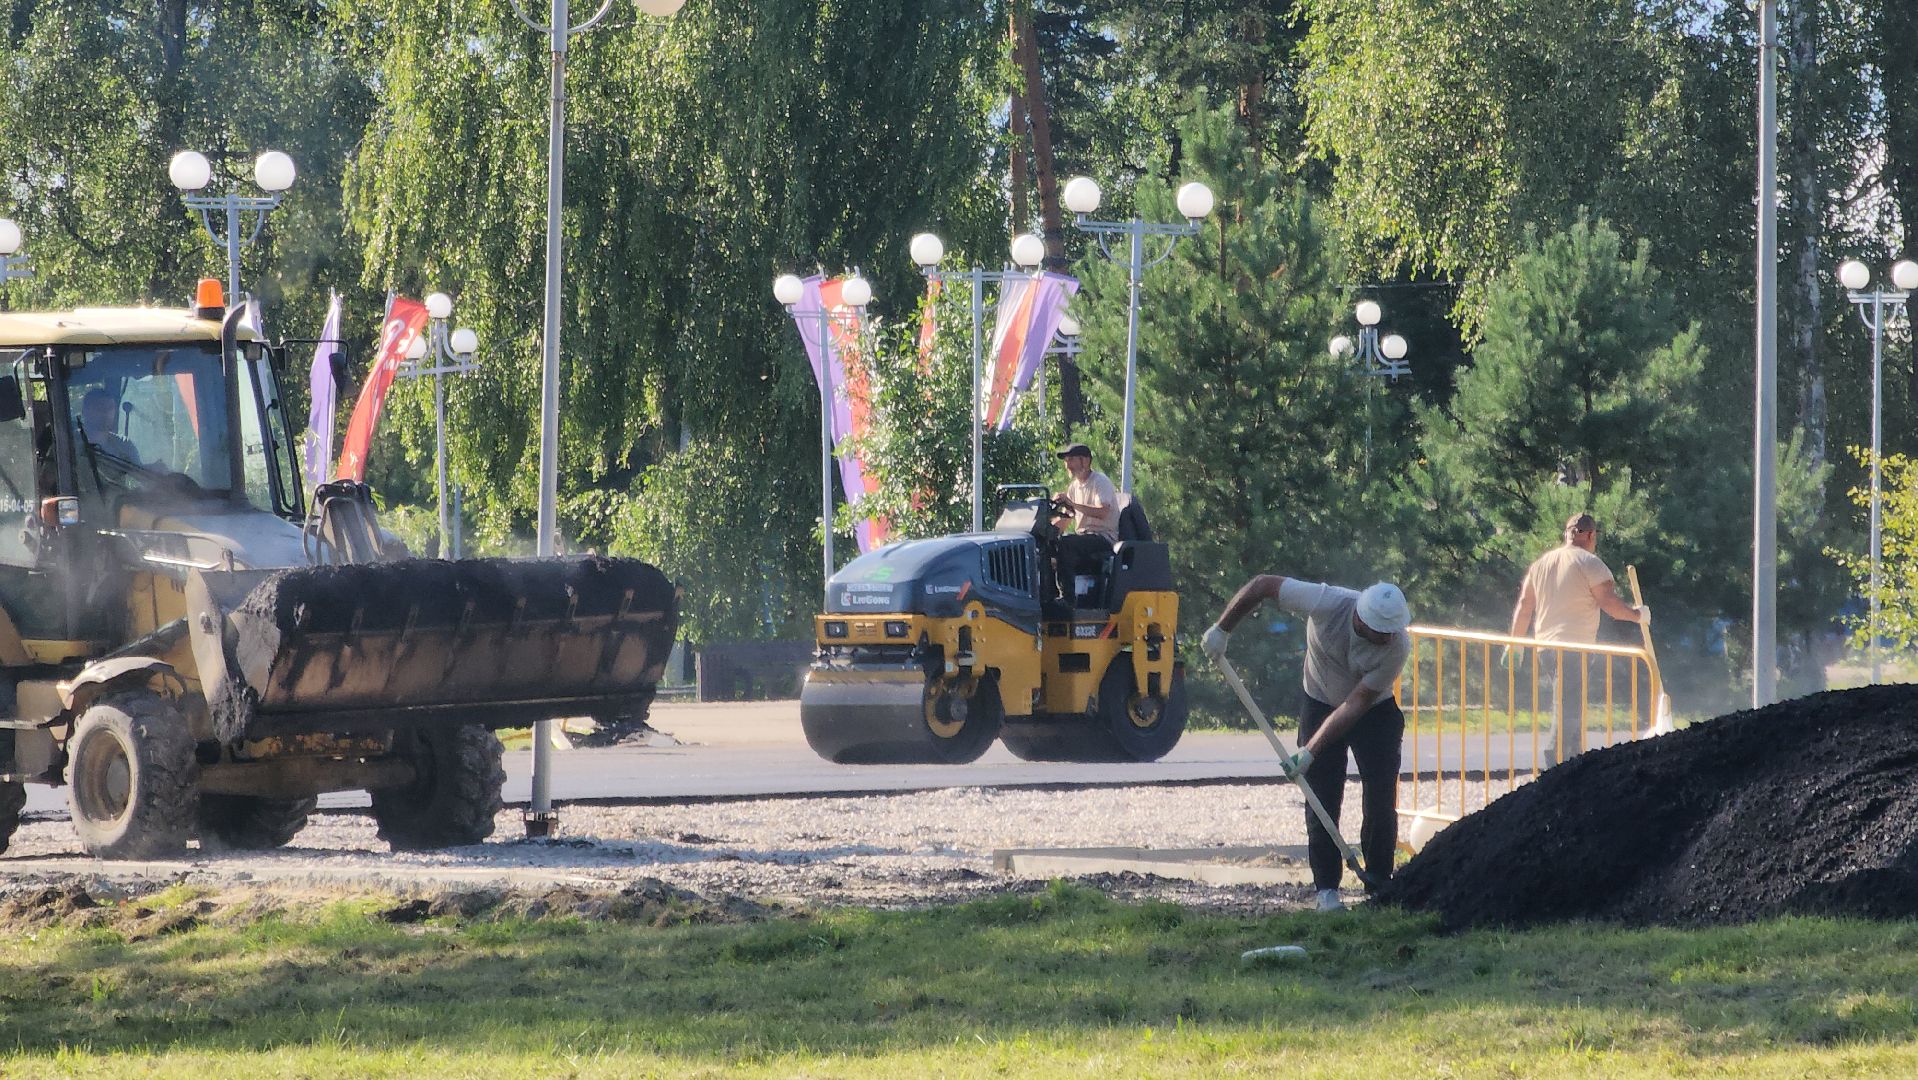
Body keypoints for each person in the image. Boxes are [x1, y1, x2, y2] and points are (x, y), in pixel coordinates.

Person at [1201, 576, 1413, 912]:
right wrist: (1222, 629)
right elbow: (1262, 586)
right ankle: (1327, 890)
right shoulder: (1327, 602)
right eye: (1382, 631)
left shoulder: (1398, 645)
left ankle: (1379, 882)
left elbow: (1356, 703)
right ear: (1361, 619)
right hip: (1318, 700)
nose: (1388, 637)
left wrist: (1309, 750)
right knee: (1322, 797)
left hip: (1374, 712)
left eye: (1393, 630)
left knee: (1380, 797)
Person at [1507, 513, 1649, 766]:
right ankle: (1555, 762)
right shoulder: (1590, 563)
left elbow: (1525, 606)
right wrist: (1638, 615)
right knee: (1568, 708)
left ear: (1567, 533)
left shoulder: (1541, 563)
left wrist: (1515, 644)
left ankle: (1574, 764)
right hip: (1573, 647)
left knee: (1571, 706)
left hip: (1546, 648)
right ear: (1591, 535)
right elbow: (1609, 604)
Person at [1050, 442, 1117, 604]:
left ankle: (1067, 599)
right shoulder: (1074, 487)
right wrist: (1048, 533)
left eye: (1071, 460)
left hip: (1103, 538)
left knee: (1067, 543)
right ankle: (1050, 597)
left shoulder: (1100, 482)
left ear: (1085, 461)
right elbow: (1067, 518)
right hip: (1084, 539)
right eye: (1066, 461)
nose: (1067, 465)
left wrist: (1073, 504)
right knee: (1050, 545)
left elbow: (1102, 511)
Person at [76, 389, 140, 468]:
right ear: (85, 411)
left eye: (110, 408)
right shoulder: (69, 444)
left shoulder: (124, 446)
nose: (106, 412)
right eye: (100, 407)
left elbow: (139, 474)